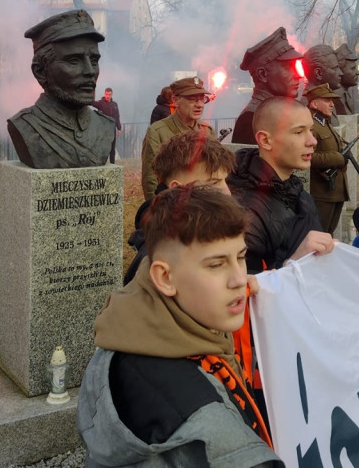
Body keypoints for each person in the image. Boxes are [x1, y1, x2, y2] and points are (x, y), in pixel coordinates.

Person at [77, 187, 282, 468]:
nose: (239, 279)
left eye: (241, 257)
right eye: (216, 265)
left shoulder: (134, 324)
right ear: (164, 277)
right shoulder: (199, 416)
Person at [227, 97, 334, 274]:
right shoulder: (242, 211)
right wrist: (292, 264)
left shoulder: (297, 193)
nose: (312, 141)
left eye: (311, 130)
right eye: (299, 132)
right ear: (265, 140)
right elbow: (242, 288)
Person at [7, 10, 115, 169]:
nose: (90, 71)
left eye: (93, 60)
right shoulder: (24, 126)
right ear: (40, 72)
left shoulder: (105, 126)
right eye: (73, 61)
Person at [124, 132, 236, 284]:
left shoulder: (210, 227)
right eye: (213, 183)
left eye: (225, 181)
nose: (227, 193)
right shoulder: (154, 259)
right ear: (178, 189)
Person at [140, 77, 215, 200]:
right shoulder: (157, 131)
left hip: (203, 203)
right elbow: (150, 177)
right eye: (192, 100)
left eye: (202, 99)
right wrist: (155, 208)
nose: (199, 105)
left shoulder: (207, 131)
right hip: (172, 203)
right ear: (175, 100)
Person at [232, 27, 303, 144]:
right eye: (287, 67)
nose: (298, 75)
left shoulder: (277, 111)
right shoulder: (252, 119)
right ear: (263, 74)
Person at [305, 83, 350, 234]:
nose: (332, 104)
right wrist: (337, 158)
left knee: (328, 234)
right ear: (314, 103)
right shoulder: (311, 125)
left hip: (334, 191)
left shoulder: (324, 122)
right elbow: (308, 157)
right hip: (322, 194)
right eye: (327, 100)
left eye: (332, 100)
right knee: (320, 235)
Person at [93, 87, 122, 163]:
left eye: (109, 94)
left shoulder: (114, 104)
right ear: (104, 94)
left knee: (112, 148)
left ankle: (112, 163)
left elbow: (117, 116)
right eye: (106, 94)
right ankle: (102, 163)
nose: (108, 96)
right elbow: (91, 102)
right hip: (104, 129)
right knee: (103, 147)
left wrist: (119, 128)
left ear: (111, 94)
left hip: (112, 129)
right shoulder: (100, 103)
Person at [334, 42, 359, 115]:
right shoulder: (336, 97)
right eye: (353, 69)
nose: (358, 73)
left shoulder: (344, 93)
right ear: (340, 70)